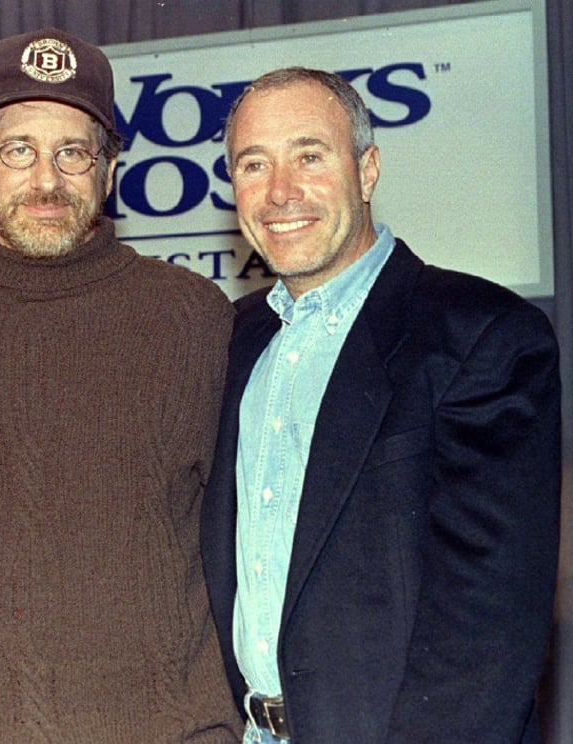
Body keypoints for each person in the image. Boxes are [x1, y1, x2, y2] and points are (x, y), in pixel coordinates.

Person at [0, 28, 241, 742]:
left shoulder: (193, 318)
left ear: (108, 169)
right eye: (18, 150)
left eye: (73, 151)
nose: (46, 180)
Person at [200, 67, 562, 743]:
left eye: (309, 155)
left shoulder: (479, 336)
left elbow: (487, 634)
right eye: (255, 164)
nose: (281, 192)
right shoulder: (226, 340)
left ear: (368, 170)